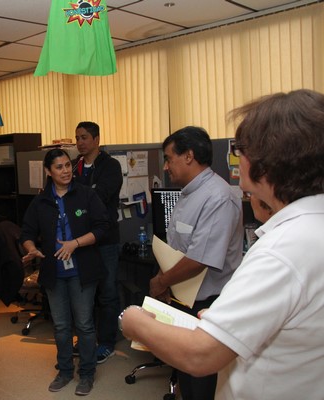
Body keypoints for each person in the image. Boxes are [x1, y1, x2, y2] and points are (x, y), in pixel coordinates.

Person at [120, 89, 324, 399]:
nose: (237, 160)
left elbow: (200, 355)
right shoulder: (308, 226)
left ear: (265, 163)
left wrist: (133, 320)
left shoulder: (279, 251)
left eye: (241, 152)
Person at [148, 126, 244, 399]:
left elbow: (199, 259)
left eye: (169, 159)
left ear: (189, 156)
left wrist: (160, 281)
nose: (166, 167)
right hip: (182, 297)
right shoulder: (188, 192)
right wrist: (165, 279)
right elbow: (177, 246)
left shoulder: (218, 197)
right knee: (185, 371)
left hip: (207, 303)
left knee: (201, 380)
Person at [20, 148, 109, 396]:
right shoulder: (41, 201)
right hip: (54, 272)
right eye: (59, 167)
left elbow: (103, 227)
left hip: (83, 270)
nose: (66, 170)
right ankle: (65, 371)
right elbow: (26, 232)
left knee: (85, 325)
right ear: (48, 171)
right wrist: (32, 249)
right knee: (61, 326)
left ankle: (87, 373)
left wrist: (75, 243)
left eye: (68, 165)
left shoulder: (86, 194)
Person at [73, 121, 123, 363]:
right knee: (85, 293)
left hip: (105, 240)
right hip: (80, 241)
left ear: (96, 140)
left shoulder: (111, 166)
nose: (80, 142)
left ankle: (107, 343)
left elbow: (99, 197)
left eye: (84, 137)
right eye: (77, 138)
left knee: (107, 293)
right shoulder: (74, 166)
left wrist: (77, 197)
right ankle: (86, 339)